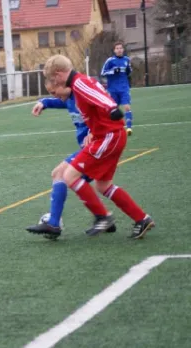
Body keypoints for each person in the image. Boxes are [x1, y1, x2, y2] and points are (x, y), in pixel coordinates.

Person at [43, 54, 154, 239]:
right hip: (108, 136)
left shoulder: (78, 82)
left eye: (53, 79)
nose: (53, 82)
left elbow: (101, 98)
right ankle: (142, 218)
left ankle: (103, 216)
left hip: (109, 136)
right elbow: (97, 94)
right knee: (103, 186)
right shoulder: (79, 83)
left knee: (69, 175)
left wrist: (111, 108)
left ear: (58, 74)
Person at [25, 80, 117, 239]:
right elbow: (57, 102)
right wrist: (43, 102)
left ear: (62, 84)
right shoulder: (67, 99)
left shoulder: (82, 96)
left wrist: (95, 132)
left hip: (96, 148)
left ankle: (54, 223)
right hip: (90, 150)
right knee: (90, 183)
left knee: (60, 173)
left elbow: (106, 107)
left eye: (54, 92)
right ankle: (106, 217)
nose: (55, 96)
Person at [101, 42, 133, 135]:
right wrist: (113, 71)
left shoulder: (127, 60)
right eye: (117, 48)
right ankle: (113, 127)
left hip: (124, 88)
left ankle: (129, 127)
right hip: (113, 89)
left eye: (120, 48)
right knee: (114, 109)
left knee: (127, 106)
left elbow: (129, 71)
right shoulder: (110, 61)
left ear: (123, 49)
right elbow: (103, 73)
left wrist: (129, 71)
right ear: (114, 50)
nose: (119, 50)